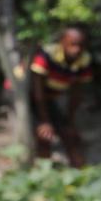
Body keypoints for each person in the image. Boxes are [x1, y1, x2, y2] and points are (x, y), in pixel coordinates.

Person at [28, 25, 93, 166]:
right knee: (44, 135)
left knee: (68, 134)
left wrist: (70, 120)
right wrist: (44, 121)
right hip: (29, 96)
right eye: (72, 45)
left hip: (48, 98)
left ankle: (79, 171)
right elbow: (37, 90)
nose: (77, 50)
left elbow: (77, 94)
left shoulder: (83, 59)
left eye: (80, 45)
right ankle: (43, 170)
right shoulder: (46, 55)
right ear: (62, 42)